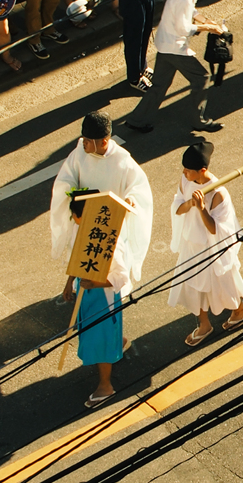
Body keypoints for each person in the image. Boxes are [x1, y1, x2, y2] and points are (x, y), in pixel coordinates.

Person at [50, 110, 153, 406]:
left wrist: (131, 201)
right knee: (99, 323)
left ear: (103, 140)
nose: (82, 145)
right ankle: (116, 344)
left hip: (108, 234)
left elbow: (138, 189)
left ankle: (106, 383)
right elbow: (65, 184)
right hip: (89, 233)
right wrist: (74, 200)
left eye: (88, 141)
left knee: (101, 322)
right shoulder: (79, 154)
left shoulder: (122, 161)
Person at [126, 0, 224, 133]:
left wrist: (206, 20)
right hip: (174, 47)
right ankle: (198, 120)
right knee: (201, 78)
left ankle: (137, 120)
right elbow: (184, 28)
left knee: (160, 85)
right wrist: (208, 27)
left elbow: (190, 12)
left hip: (165, 43)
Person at [169, 141, 243, 346]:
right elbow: (177, 208)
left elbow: (217, 230)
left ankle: (239, 308)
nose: (184, 172)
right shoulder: (185, 180)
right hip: (191, 244)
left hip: (210, 249)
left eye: (188, 170)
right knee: (193, 286)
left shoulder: (218, 193)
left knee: (222, 284)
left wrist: (202, 209)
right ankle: (204, 324)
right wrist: (190, 203)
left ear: (202, 170)